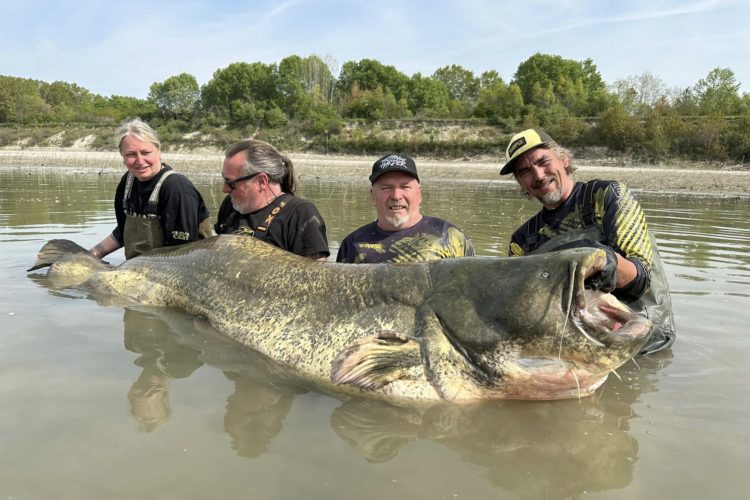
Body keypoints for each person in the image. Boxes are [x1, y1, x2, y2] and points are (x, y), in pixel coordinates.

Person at [500, 128, 675, 354]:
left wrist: (604, 261)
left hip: (642, 344)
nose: (539, 175)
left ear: (563, 159)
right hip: (574, 348)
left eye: (543, 161)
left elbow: (639, 278)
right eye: (525, 171)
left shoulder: (608, 196)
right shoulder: (522, 240)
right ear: (521, 183)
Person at [89, 118, 212, 260]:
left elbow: (183, 252)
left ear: (158, 151)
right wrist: (94, 254)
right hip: (138, 267)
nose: (140, 161)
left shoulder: (176, 188)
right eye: (131, 154)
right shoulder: (127, 182)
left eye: (146, 152)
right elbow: (122, 232)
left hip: (182, 266)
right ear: (122, 157)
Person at [336, 153, 475, 263]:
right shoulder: (353, 243)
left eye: (405, 187)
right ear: (373, 196)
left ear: (419, 194)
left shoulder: (450, 235)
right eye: (386, 188)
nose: (396, 196)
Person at [214, 139, 329, 260]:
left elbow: (316, 274)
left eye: (230, 183)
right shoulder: (231, 205)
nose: (225, 189)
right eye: (224, 179)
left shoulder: (300, 214)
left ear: (261, 181)